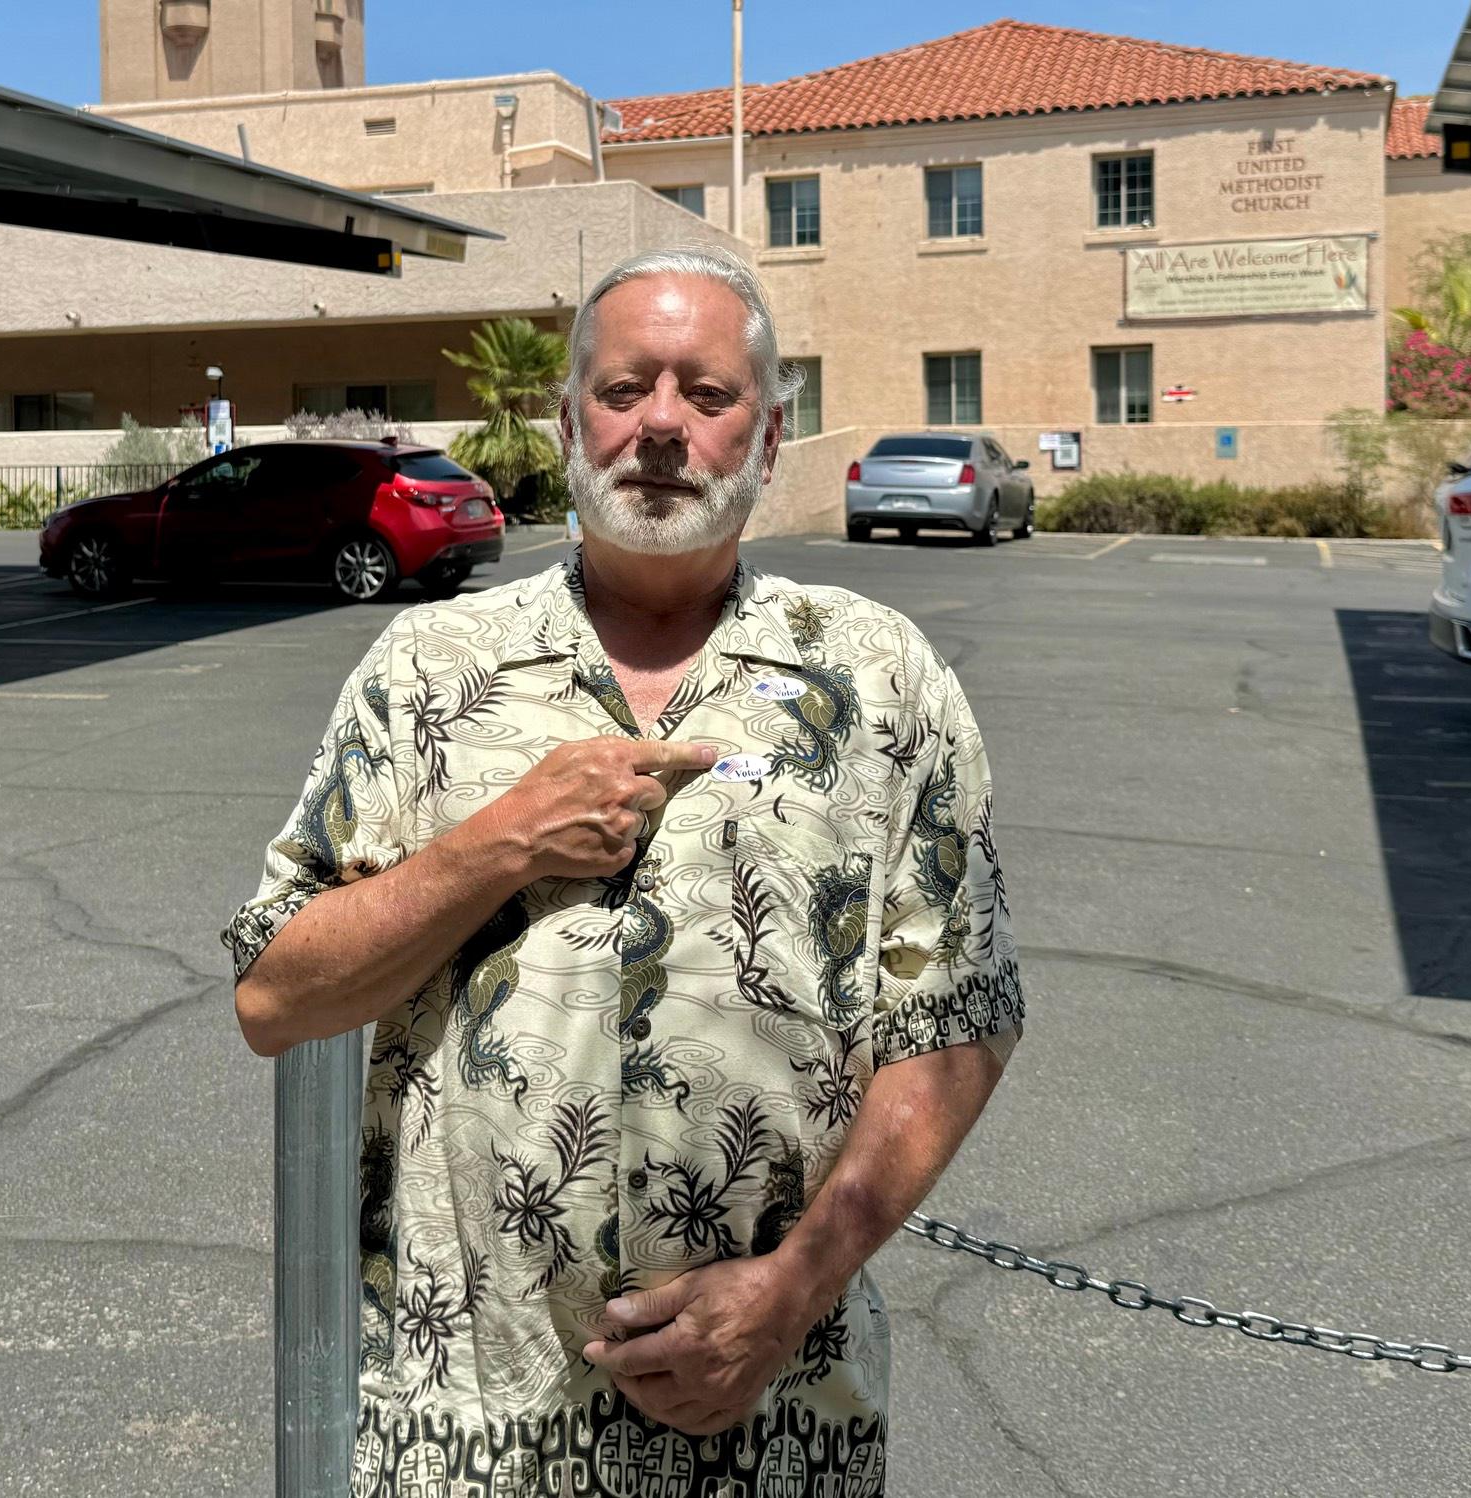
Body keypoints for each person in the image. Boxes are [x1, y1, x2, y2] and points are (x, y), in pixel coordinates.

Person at [223, 244, 1023, 1497]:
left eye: (705, 396)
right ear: (565, 423)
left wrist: (789, 1291)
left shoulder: (878, 677)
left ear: (764, 444)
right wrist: (495, 845)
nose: (659, 424)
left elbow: (955, 1023)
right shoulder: (426, 668)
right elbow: (276, 997)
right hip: (468, 1424)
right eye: (622, 389)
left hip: (772, 1414)